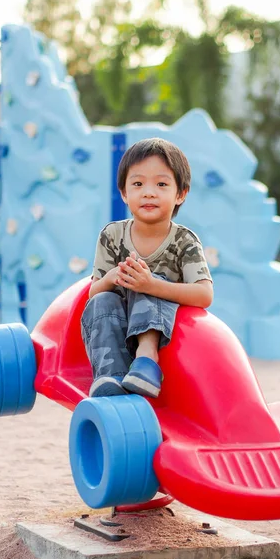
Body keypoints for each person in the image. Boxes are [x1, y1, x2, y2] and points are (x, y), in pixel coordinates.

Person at [81, 138, 213, 398]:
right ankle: (110, 375)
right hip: (118, 333)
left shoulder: (184, 241)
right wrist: (110, 278)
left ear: (180, 194)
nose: (149, 192)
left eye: (161, 184)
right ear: (124, 193)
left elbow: (204, 295)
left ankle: (146, 360)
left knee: (146, 278)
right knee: (104, 298)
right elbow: (92, 293)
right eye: (138, 184)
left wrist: (152, 285)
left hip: (165, 342)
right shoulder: (112, 235)